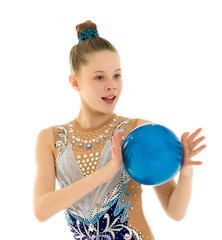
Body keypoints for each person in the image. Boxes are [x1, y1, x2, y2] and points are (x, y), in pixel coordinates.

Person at [33, 20, 206, 240]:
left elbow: (175, 211)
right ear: (75, 82)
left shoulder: (136, 132)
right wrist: (102, 175)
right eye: (99, 77)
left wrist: (187, 170)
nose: (111, 85)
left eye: (117, 75)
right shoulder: (50, 139)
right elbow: (41, 210)